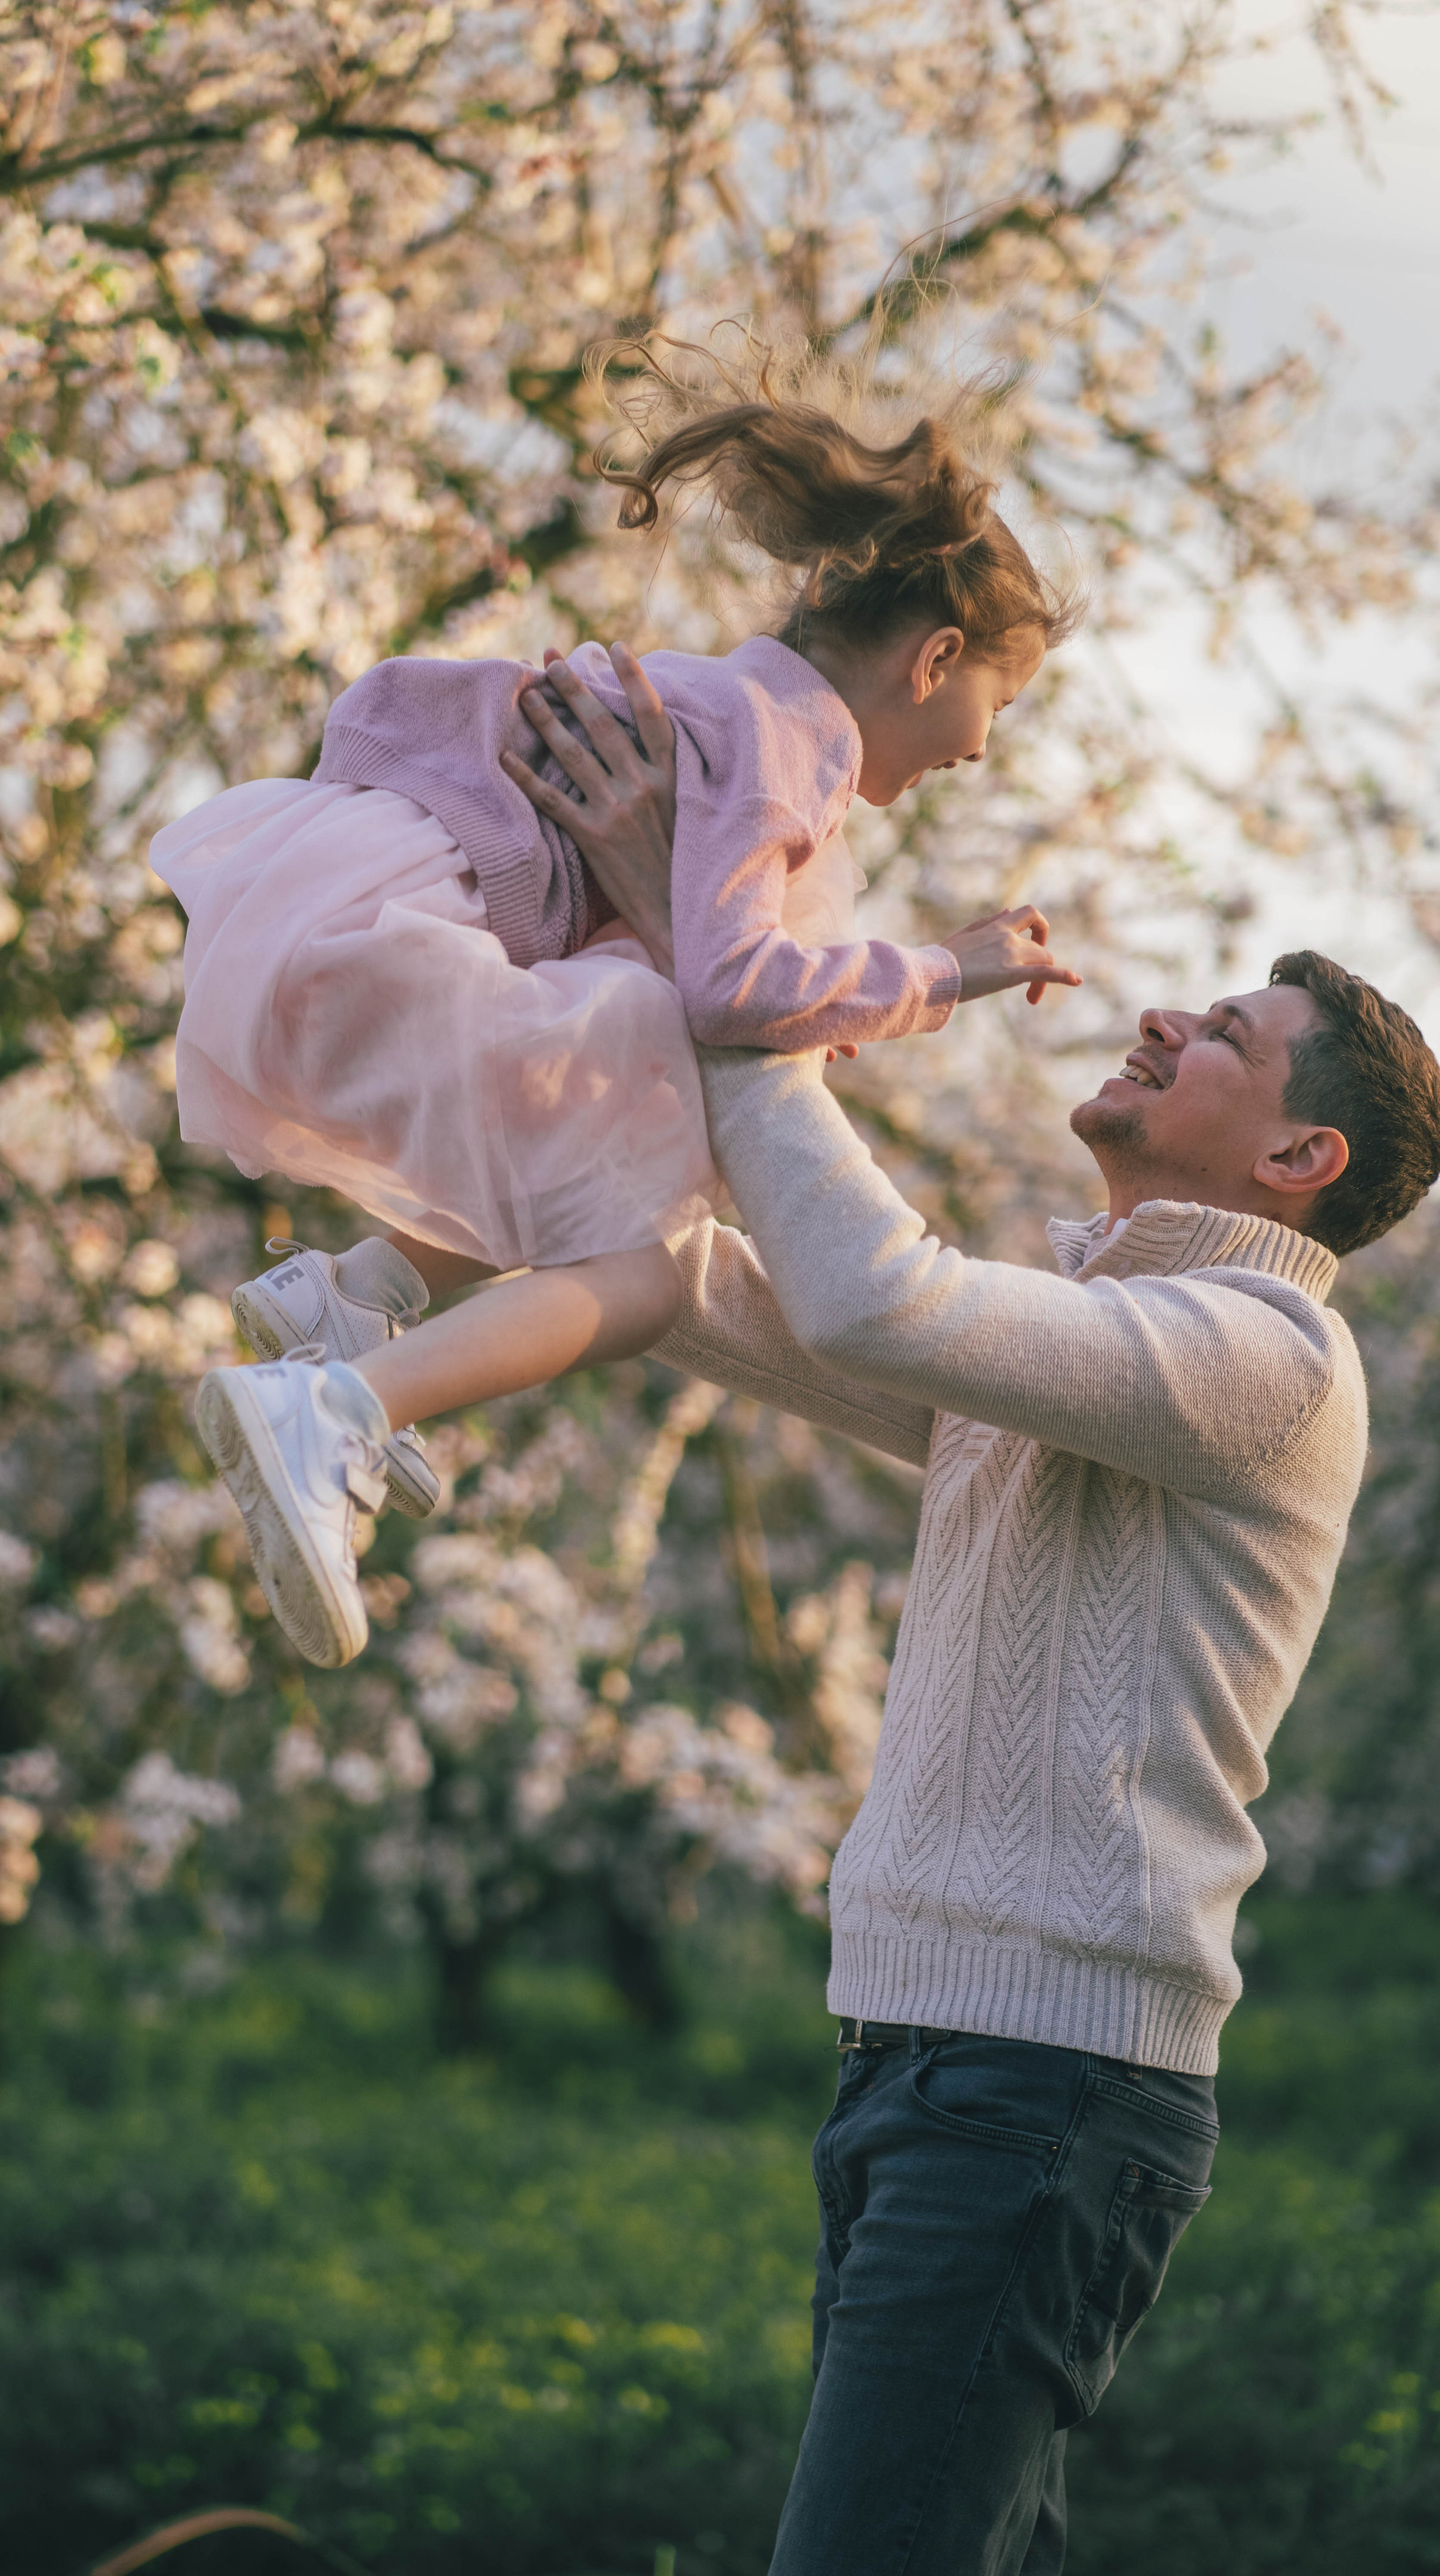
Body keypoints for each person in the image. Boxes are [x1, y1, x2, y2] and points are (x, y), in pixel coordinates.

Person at [498, 644, 1440, 2575]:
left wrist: (727, 950)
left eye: (1233, 1038)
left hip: (1039, 2098)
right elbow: (716, 1288)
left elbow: (868, 1297)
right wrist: (590, 980)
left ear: (1298, 1161)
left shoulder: (1259, 1357)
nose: (1168, 1015)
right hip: (932, 2070)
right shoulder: (1102, 1341)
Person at [154, 335, 1081, 1665]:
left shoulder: (734, 700)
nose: (968, 762)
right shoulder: (779, 765)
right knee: (646, 1263)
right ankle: (341, 1409)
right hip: (398, 946)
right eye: (980, 727)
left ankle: (349, 1299)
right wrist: (945, 973)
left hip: (349, 922)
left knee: (614, 1115)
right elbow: (731, 988)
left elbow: (704, 987)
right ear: (932, 663)